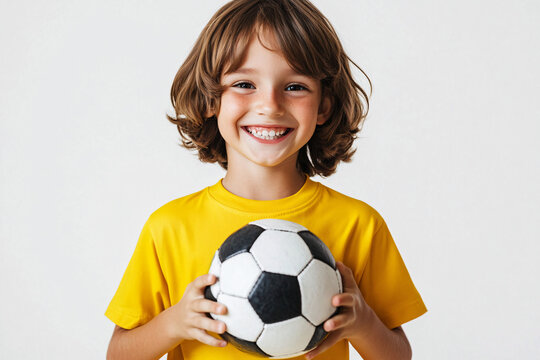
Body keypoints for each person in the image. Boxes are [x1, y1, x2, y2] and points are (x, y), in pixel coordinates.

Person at [105, 0, 427, 359]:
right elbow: (118, 353)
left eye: (295, 87)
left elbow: (399, 354)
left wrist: (363, 323)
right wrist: (173, 324)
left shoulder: (359, 225)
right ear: (211, 99)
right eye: (244, 84)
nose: (269, 105)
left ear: (323, 106)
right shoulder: (169, 228)